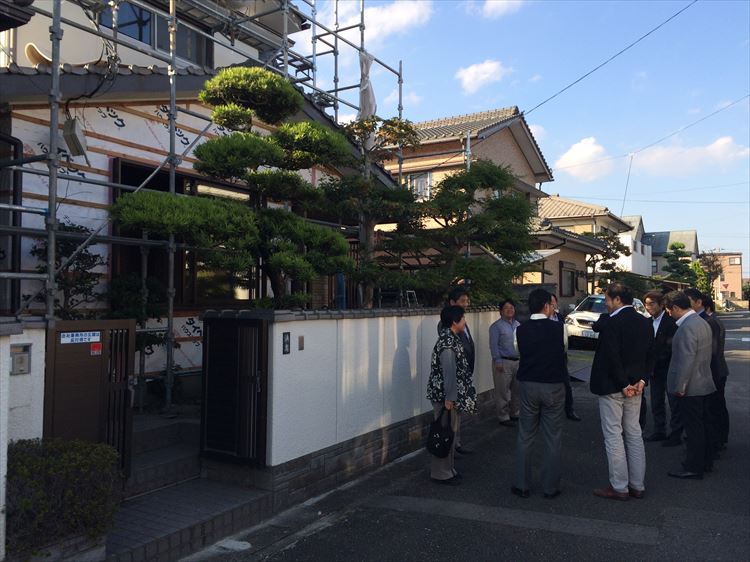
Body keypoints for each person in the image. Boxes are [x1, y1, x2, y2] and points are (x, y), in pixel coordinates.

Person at [590, 283, 653, 501]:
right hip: (637, 386)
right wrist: (642, 380)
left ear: (617, 299)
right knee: (634, 433)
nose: (606, 304)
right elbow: (651, 354)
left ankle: (619, 486)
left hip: (613, 386)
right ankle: (637, 484)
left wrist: (623, 383)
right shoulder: (645, 322)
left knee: (613, 435)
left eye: (607, 299)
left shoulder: (612, 323)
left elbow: (611, 356)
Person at [512, 289, 568, 499]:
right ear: (546, 305)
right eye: (552, 304)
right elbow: (564, 350)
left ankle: (521, 485)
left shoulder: (519, 330)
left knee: (525, 435)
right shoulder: (560, 328)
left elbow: (518, 352)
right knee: (553, 437)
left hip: (528, 384)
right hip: (553, 385)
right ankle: (550, 487)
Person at [664, 291, 715, 479]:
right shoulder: (702, 322)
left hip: (691, 386)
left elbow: (686, 360)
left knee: (693, 429)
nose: (668, 313)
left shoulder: (687, 327)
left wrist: (680, 387)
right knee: (702, 426)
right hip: (704, 381)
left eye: (669, 310)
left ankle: (693, 467)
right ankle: (705, 462)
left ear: (676, 308)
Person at [426, 305, 477, 485]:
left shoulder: (451, 338)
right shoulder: (448, 342)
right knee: (444, 433)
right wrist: (450, 398)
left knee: (450, 433)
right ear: (455, 321)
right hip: (446, 397)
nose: (465, 321)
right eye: (463, 318)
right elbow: (449, 372)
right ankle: (441, 473)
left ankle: (449, 470)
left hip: (449, 395)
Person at [684, 289, 729, 456]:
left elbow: (712, 351)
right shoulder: (705, 320)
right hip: (712, 371)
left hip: (713, 372)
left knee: (713, 409)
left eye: (688, 301)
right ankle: (716, 442)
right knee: (714, 408)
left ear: (699, 303)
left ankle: (715, 444)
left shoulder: (708, 321)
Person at [438, 286, 475, 454]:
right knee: (450, 418)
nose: (466, 304)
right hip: (453, 380)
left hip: (462, 376)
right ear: (452, 302)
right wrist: (450, 393)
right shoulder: (446, 326)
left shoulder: (460, 320)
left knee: (456, 416)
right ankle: (450, 451)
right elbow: (449, 362)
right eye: (462, 301)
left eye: (467, 301)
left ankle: (456, 445)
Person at [642, 291, 679, 443]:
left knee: (674, 402)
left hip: (669, 368)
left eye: (652, 304)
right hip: (654, 370)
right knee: (656, 401)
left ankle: (676, 434)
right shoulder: (646, 322)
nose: (648, 307)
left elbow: (672, 347)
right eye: (646, 304)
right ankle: (659, 430)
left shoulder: (671, 322)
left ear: (661, 304)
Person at [489, 298, 521, 426]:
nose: (509, 310)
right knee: (502, 391)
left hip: (517, 362)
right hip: (503, 362)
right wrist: (497, 360)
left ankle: (515, 413)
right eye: (506, 308)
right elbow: (493, 345)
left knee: (517, 390)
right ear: (501, 311)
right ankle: (503, 416)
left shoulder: (518, 325)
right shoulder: (496, 327)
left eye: (511, 307)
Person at [550, 294, 581, 422]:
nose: (552, 304)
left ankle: (569, 410)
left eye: (553, 302)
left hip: (561, 356)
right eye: (549, 302)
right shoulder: (541, 319)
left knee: (566, 384)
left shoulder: (560, 317)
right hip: (547, 357)